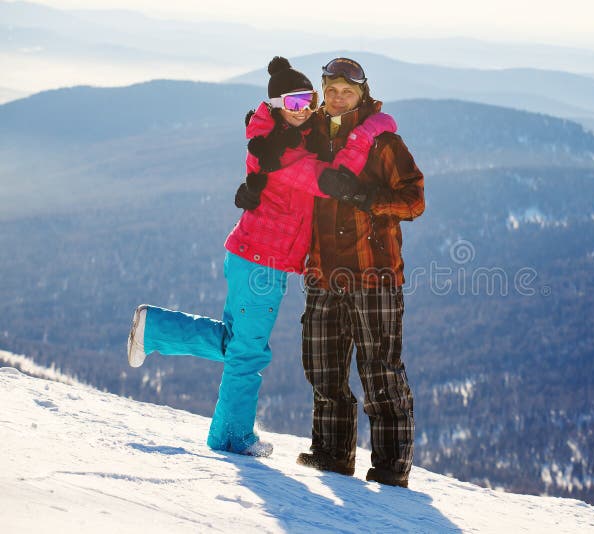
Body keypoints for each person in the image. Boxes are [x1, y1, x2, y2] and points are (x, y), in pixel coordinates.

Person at [125, 57, 396, 457]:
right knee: (248, 354)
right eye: (291, 100)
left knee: (239, 344)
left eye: (307, 98)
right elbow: (334, 178)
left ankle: (155, 330)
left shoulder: (285, 136)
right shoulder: (277, 153)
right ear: (274, 103)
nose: (302, 107)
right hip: (261, 264)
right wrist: (373, 127)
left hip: (253, 256)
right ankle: (231, 437)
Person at [295, 57, 425, 487]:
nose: (337, 98)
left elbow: (414, 199)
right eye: (330, 90)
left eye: (346, 92)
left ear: (362, 94)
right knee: (323, 367)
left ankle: (391, 469)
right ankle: (332, 456)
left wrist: (363, 196)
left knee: (380, 371)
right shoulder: (310, 134)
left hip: (374, 275)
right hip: (323, 272)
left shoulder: (383, 143)